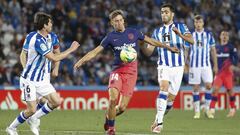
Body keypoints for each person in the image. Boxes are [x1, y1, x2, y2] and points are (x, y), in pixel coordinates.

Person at [74, 9, 179, 135]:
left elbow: (151, 41)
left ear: (123, 20)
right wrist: (82, 60)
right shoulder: (110, 37)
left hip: (131, 73)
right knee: (113, 99)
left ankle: (109, 117)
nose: (118, 23)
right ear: (112, 23)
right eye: (115, 22)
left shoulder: (134, 33)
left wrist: (168, 47)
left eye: (120, 20)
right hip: (117, 71)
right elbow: (95, 52)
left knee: (122, 108)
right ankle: (111, 129)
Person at [6, 12, 79, 135]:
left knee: (56, 101)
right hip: (30, 79)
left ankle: (34, 119)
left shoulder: (53, 37)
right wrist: (71, 49)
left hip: (43, 79)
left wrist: (56, 68)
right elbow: (50, 57)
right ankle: (11, 128)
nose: (52, 24)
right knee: (31, 109)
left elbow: (57, 53)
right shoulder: (36, 40)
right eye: (50, 22)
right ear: (44, 25)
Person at [141, 3, 194, 133]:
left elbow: (191, 41)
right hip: (164, 65)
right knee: (163, 88)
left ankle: (157, 118)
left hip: (178, 67)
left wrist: (179, 34)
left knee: (170, 100)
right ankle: (160, 123)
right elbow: (148, 52)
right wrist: (142, 45)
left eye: (166, 12)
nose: (163, 14)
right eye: (162, 12)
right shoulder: (157, 31)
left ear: (172, 14)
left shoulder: (181, 26)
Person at [186, 15, 218, 119]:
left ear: (203, 23)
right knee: (196, 88)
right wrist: (184, 64)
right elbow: (186, 50)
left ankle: (207, 110)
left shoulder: (208, 35)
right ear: (194, 23)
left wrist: (216, 65)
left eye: (200, 22)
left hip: (206, 65)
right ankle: (197, 111)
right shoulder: (190, 35)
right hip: (194, 65)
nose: (198, 24)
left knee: (209, 86)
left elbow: (213, 50)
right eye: (196, 22)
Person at [206, 30, 238, 118]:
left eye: (226, 35)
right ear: (220, 36)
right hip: (219, 73)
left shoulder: (231, 47)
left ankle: (233, 109)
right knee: (215, 90)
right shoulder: (216, 48)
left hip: (228, 73)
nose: (224, 36)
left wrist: (232, 64)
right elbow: (212, 60)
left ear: (228, 37)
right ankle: (211, 110)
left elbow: (236, 58)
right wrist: (213, 67)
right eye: (223, 35)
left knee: (230, 91)